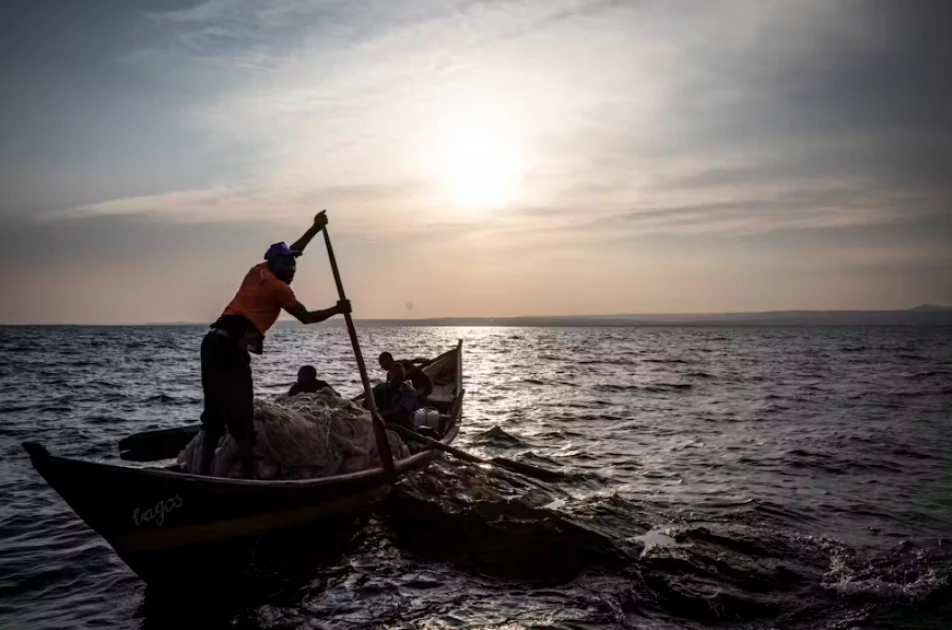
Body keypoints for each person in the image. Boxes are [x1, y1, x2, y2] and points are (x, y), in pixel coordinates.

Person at [200, 211, 351, 478]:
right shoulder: (279, 288)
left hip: (212, 344)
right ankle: (248, 480)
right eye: (288, 267)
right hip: (230, 351)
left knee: (214, 413)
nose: (293, 270)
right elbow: (305, 317)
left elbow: (294, 250)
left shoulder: (258, 270)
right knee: (241, 417)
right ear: (276, 266)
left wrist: (315, 228)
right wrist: (336, 309)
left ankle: (201, 474)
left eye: (294, 266)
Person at [370, 362, 419, 429]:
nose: (398, 380)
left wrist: (380, 415)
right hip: (382, 424)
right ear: (390, 376)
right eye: (396, 377)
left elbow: (399, 411)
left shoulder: (410, 392)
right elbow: (367, 395)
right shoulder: (381, 388)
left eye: (400, 377)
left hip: (404, 426)